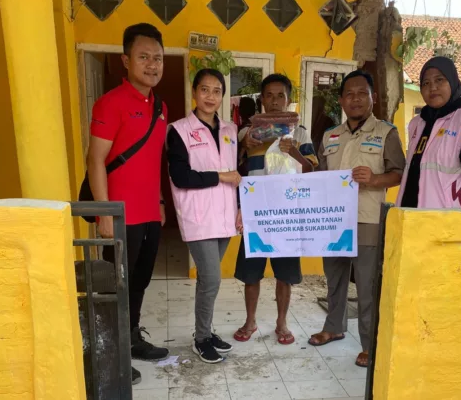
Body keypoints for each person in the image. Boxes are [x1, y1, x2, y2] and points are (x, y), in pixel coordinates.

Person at [87, 23, 169, 385]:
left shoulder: (161, 107)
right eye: (143, 57)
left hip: (151, 213)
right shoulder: (110, 103)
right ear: (126, 60)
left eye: (157, 58)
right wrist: (105, 212)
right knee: (116, 285)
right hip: (120, 216)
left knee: (139, 282)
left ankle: (133, 338)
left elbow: (154, 160)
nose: (152, 64)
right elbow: (95, 161)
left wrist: (162, 201)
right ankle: (114, 351)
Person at [308, 70, 406, 368]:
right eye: (349, 94)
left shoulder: (385, 133)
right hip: (333, 220)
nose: (355, 99)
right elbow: (322, 176)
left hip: (367, 219)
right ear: (341, 100)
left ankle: (369, 344)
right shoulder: (329, 136)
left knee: (366, 284)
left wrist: (375, 179)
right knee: (335, 277)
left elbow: (400, 173)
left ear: (372, 98)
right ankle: (334, 327)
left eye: (362, 93)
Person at [233, 74, 318, 345]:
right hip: (256, 213)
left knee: (285, 274)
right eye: (268, 95)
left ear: (288, 99)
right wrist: (246, 144)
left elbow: (312, 169)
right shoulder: (247, 133)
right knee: (251, 273)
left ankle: (282, 322)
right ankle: (250, 320)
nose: (273, 101)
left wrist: (294, 151)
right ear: (261, 100)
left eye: (280, 95)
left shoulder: (300, 132)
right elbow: (234, 166)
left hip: (287, 216)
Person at [166, 69, 241, 364]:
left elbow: (235, 174)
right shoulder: (179, 130)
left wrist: (238, 208)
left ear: (223, 95)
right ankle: (200, 338)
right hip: (198, 217)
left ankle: (207, 332)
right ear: (194, 92)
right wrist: (221, 176)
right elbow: (181, 176)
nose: (210, 96)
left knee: (209, 280)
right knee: (211, 278)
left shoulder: (230, 130)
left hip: (224, 216)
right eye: (205, 90)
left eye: (217, 91)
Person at [397, 56, 461, 208]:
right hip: (412, 218)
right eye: (426, 83)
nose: (433, 88)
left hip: (448, 222)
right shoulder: (417, 123)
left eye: (439, 80)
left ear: (452, 81)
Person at [237, 96, 256, 176]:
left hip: (245, 173)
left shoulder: (241, 131)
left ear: (240, 111)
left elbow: (238, 157)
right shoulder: (259, 128)